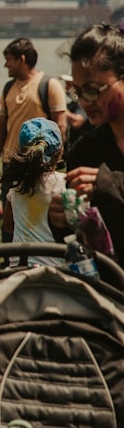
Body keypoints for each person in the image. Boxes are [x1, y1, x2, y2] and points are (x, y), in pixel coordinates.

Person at [48, 23, 124, 259]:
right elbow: (77, 239)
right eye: (78, 92)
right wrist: (61, 220)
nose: (84, 101)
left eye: (93, 89)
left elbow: (109, 188)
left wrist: (111, 185)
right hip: (108, 287)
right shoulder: (86, 148)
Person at [0, 38, 68, 242]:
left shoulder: (49, 85)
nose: (6, 65)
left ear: (21, 59)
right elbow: (1, 129)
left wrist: (55, 160)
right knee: (11, 220)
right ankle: (10, 262)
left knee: (44, 216)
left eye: (9, 60)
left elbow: (60, 126)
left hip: (42, 163)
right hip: (12, 163)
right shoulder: (8, 88)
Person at [2, 118, 65, 265]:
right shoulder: (64, 185)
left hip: (19, 267)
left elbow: (8, 225)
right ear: (60, 152)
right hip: (56, 269)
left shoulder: (17, 188)